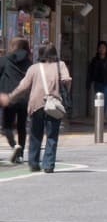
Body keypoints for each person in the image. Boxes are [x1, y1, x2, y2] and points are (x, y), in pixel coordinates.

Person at [0, 44, 70, 173]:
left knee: (36, 135)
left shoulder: (34, 68)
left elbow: (23, 87)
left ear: (40, 54)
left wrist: (10, 97)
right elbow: (66, 80)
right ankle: (48, 165)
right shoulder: (60, 65)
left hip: (37, 104)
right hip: (54, 104)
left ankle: (33, 163)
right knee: (52, 136)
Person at [0, 37, 32, 163]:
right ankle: (21, 154)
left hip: (10, 97)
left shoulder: (5, 60)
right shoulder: (29, 63)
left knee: (7, 126)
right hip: (24, 98)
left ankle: (15, 146)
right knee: (21, 126)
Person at [87, 40, 107, 121]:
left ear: (106, 49)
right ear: (97, 49)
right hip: (98, 82)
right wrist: (88, 83)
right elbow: (90, 72)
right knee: (98, 99)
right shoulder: (94, 60)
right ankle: (98, 115)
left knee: (104, 99)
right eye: (100, 47)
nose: (102, 49)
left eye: (103, 48)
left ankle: (102, 116)